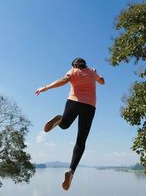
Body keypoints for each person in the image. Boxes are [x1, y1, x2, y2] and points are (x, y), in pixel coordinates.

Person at [35, 58, 105, 191]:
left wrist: (45, 88)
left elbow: (63, 80)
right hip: (89, 106)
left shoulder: (73, 71)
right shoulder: (92, 71)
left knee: (65, 125)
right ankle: (71, 171)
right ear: (85, 64)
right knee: (81, 140)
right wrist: (98, 76)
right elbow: (102, 82)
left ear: (74, 65)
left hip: (73, 102)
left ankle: (60, 119)